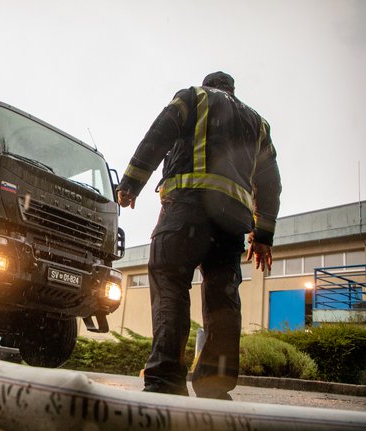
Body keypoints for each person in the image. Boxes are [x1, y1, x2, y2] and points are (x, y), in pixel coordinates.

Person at [117, 71, 282, 400]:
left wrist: (131, 182)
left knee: (170, 285)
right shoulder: (258, 124)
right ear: (233, 90)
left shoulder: (194, 97)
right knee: (223, 300)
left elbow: (158, 135)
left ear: (209, 85)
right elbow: (271, 183)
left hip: (186, 209)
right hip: (231, 224)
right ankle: (215, 386)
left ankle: (165, 380)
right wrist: (262, 236)